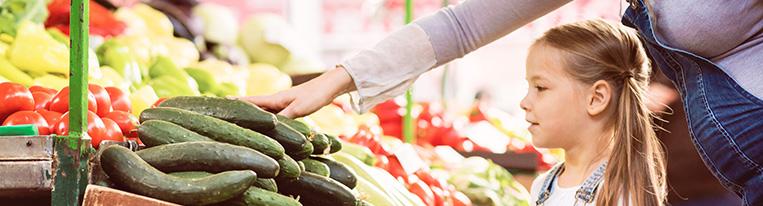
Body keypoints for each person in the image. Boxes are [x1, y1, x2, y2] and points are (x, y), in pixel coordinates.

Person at [240, 0, 763, 204]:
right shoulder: (550, 184)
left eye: (540, 88)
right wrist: (333, 81)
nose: (526, 102)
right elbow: (464, 23)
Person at [521, 19, 665, 205]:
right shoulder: (541, 186)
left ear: (596, 98)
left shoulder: (621, 195)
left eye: (540, 87)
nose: (524, 102)